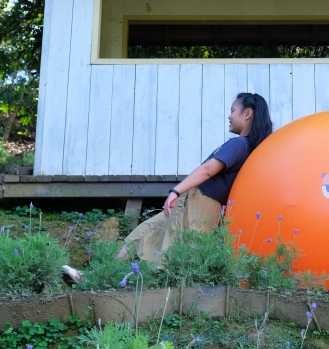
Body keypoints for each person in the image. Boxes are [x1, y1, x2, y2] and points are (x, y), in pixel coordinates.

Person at [115, 92, 272, 265]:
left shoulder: (239, 144)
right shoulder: (249, 148)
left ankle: (126, 273)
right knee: (147, 231)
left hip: (202, 203)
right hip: (201, 203)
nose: (229, 116)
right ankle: (108, 270)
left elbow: (207, 170)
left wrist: (175, 191)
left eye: (233, 110)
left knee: (173, 250)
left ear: (247, 113)